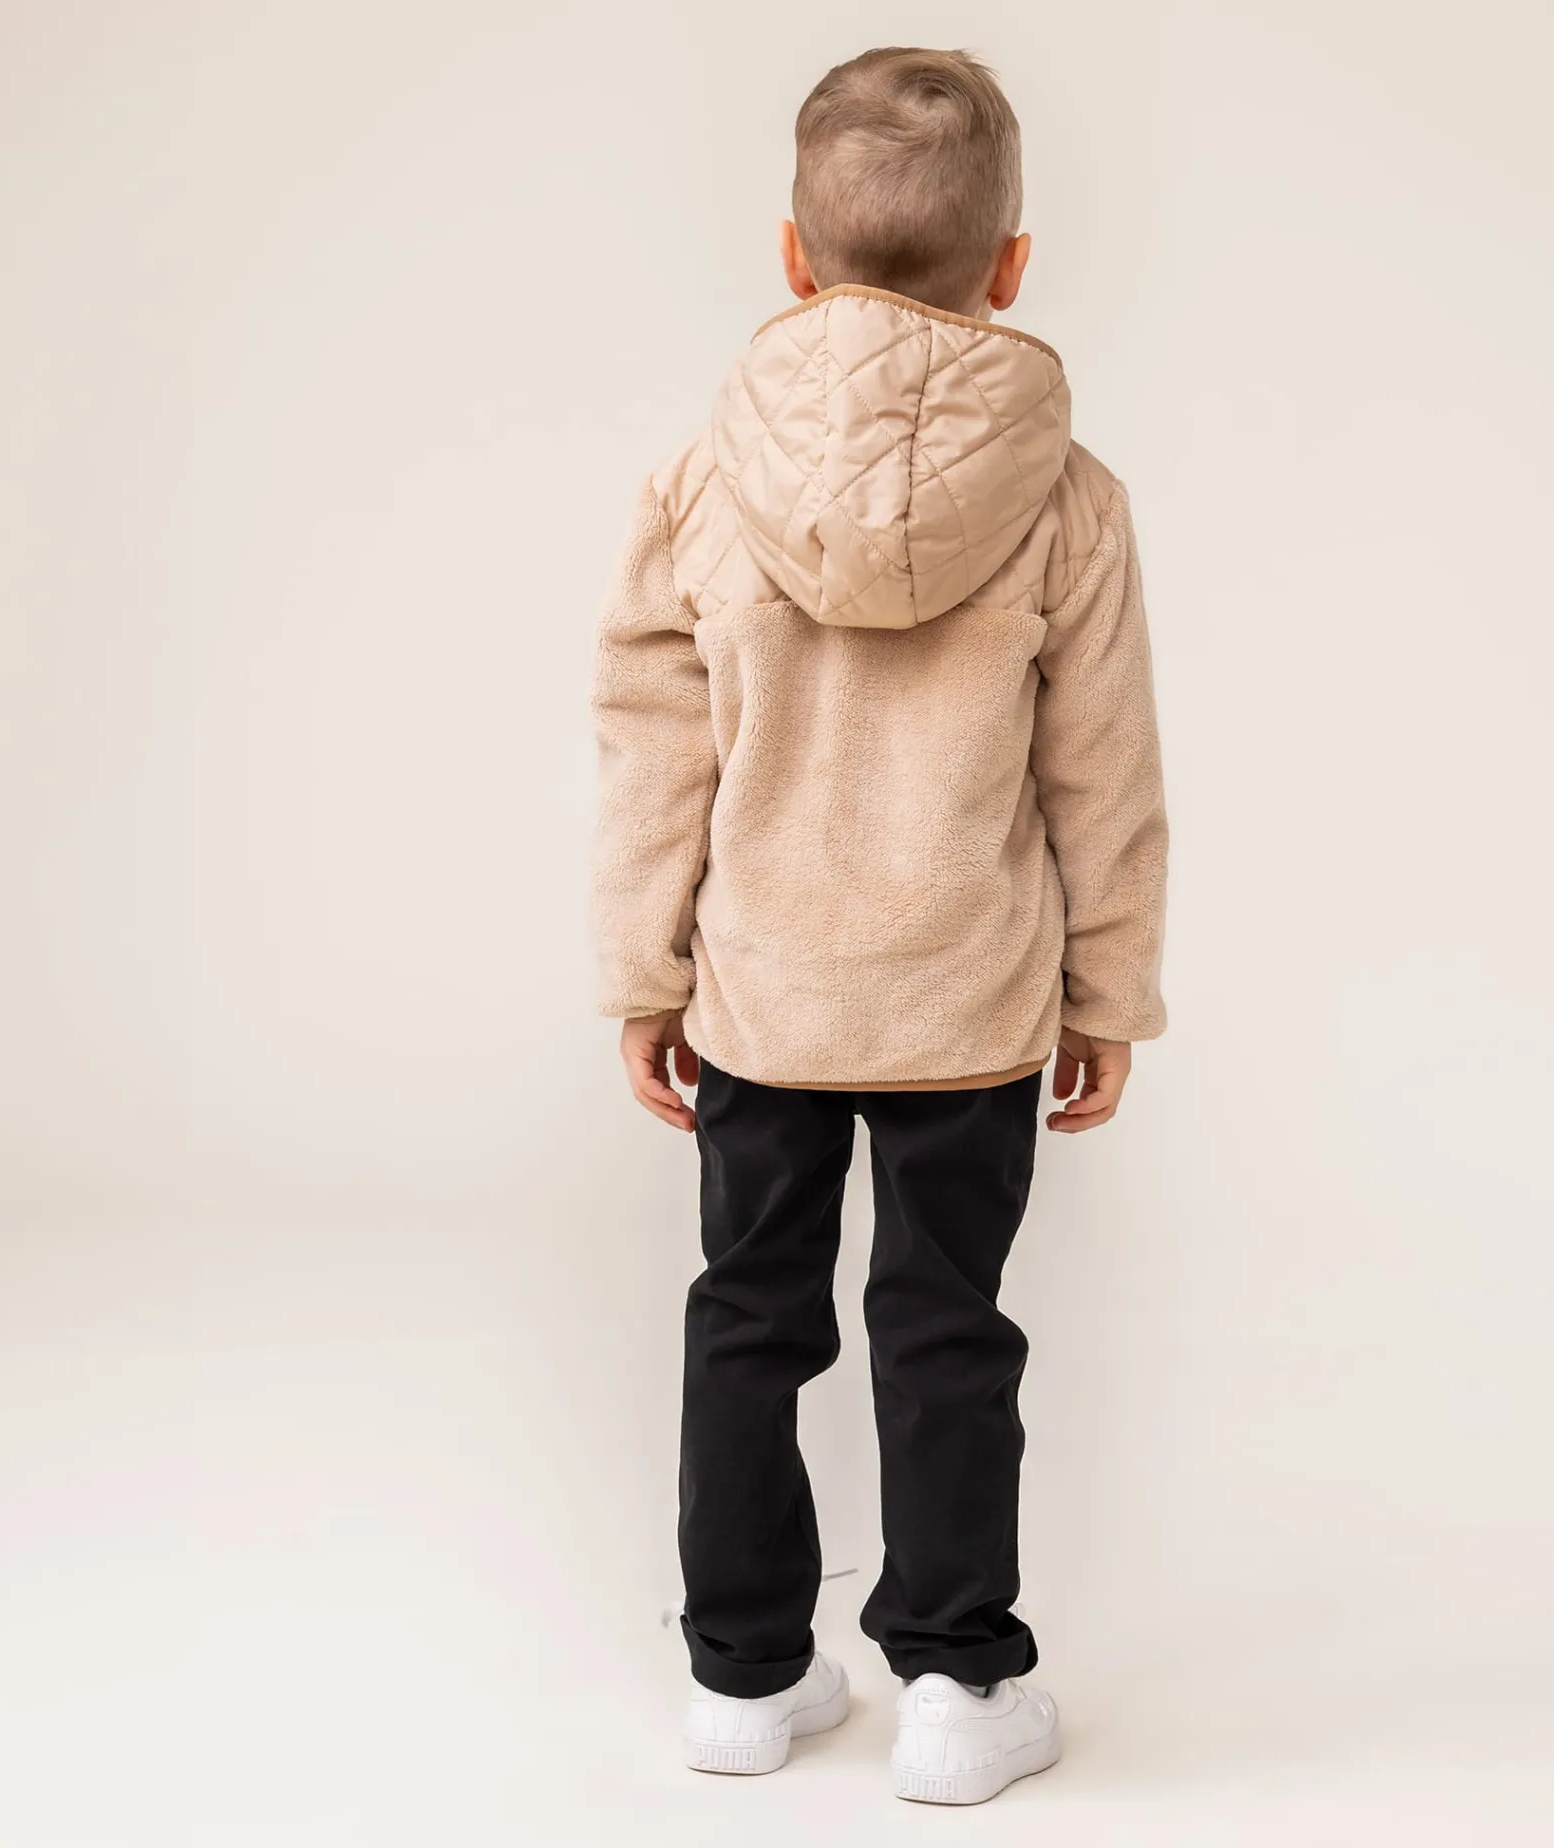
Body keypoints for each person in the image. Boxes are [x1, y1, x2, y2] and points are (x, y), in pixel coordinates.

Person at [590, 44, 1168, 1805]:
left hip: (762, 991)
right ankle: (957, 1685)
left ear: (793, 257)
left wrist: (644, 968)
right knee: (945, 1332)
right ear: (1012, 266)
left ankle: (746, 1677)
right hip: (967, 999)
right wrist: (1109, 991)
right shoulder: (1068, 498)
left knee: (746, 1316)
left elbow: (652, 748)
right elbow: (1104, 769)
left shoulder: (701, 482)